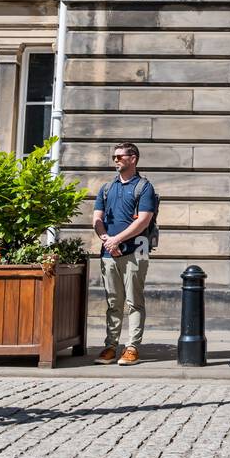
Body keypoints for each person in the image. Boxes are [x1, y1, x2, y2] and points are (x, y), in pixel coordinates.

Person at [92, 142, 158, 366]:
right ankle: (111, 346)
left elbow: (143, 220)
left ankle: (132, 348)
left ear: (134, 158)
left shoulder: (144, 187)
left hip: (135, 251)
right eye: (114, 157)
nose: (116, 160)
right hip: (109, 252)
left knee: (134, 301)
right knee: (113, 301)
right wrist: (107, 241)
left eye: (120, 156)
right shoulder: (106, 188)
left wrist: (117, 240)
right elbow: (97, 219)